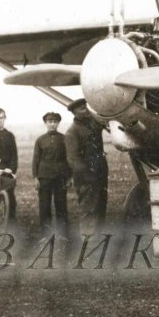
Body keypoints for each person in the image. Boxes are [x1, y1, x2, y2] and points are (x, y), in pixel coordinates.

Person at [65, 99, 109, 236]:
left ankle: (98, 238)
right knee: (89, 208)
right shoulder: (72, 132)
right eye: (82, 109)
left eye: (86, 107)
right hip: (86, 177)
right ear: (74, 113)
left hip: (100, 173)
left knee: (101, 205)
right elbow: (73, 160)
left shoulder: (94, 124)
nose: (86, 110)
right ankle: (87, 240)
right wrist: (88, 176)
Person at [33, 112, 71, 240]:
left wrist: (69, 177)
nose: (52, 124)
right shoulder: (40, 140)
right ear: (46, 123)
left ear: (58, 123)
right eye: (50, 122)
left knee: (61, 207)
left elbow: (68, 159)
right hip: (44, 177)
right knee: (44, 207)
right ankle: (46, 235)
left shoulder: (64, 139)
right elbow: (36, 159)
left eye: (55, 122)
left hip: (60, 177)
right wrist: (35, 177)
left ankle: (62, 235)